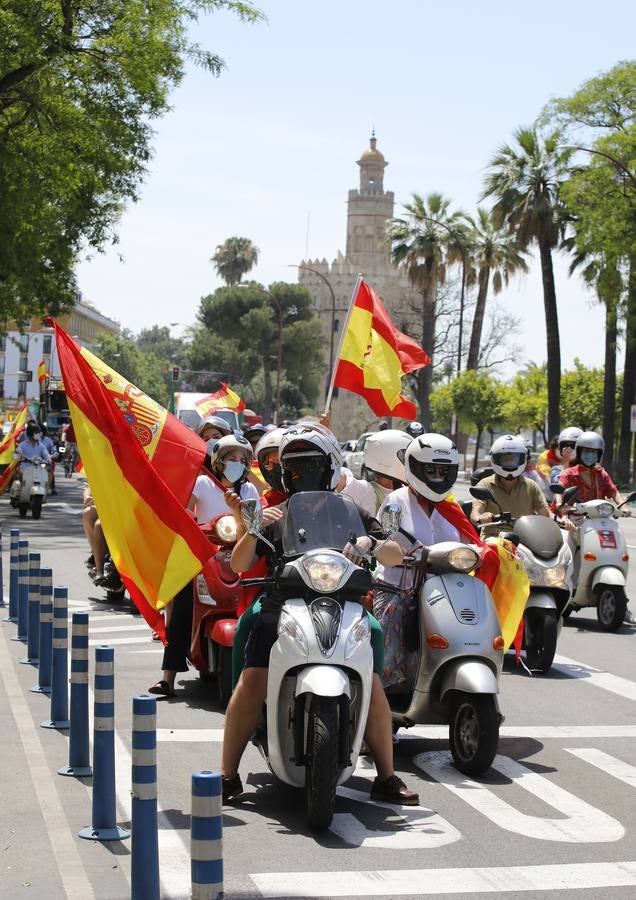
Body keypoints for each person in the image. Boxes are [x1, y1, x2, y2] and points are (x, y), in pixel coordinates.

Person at [221, 425, 419, 807]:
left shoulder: (352, 510)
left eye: (311, 465)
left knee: (373, 677)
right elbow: (239, 562)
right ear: (283, 473)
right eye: (293, 469)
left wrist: (371, 542)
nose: (301, 474)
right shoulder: (275, 511)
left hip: (345, 603)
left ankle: (387, 775)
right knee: (253, 678)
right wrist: (255, 526)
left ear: (329, 467)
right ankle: (228, 773)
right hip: (283, 601)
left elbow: (394, 552)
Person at [373, 433, 473, 689]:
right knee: (386, 659)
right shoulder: (396, 502)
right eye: (430, 470)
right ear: (414, 467)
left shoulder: (453, 508)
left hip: (447, 595)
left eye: (443, 470)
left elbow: (471, 544)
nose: (437, 476)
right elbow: (384, 539)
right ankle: (385, 697)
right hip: (401, 592)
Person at [471, 434, 550, 526]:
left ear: (523, 458)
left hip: (526, 536)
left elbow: (545, 513)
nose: (510, 462)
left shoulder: (531, 485)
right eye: (505, 459)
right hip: (494, 536)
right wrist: (480, 518)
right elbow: (475, 513)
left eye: (514, 459)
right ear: (495, 459)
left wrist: (560, 520)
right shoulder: (485, 484)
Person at [188, 433, 260, 524]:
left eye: (242, 461)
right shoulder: (202, 482)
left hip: (238, 538)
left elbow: (253, 527)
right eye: (232, 459)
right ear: (219, 461)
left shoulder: (249, 489)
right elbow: (185, 512)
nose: (238, 464)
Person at [40, 424, 58, 494]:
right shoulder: (30, 440)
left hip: (43, 462)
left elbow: (53, 448)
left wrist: (55, 452)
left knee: (49, 470)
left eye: (40, 431)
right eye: (37, 431)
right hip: (32, 462)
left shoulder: (48, 440)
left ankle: (52, 487)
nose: (38, 433)